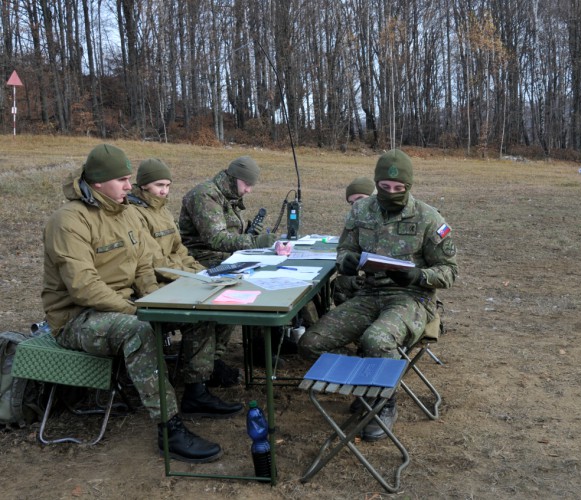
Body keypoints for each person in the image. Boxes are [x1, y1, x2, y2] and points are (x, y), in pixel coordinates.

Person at [42, 144, 242, 464]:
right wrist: (140, 310)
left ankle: (196, 390)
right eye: (121, 179)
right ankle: (170, 429)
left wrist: (158, 300)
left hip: (127, 304)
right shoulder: (68, 221)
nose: (127, 185)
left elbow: (143, 267)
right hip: (78, 318)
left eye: (128, 178)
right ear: (97, 182)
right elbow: (83, 288)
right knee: (139, 330)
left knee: (200, 312)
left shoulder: (125, 214)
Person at [299, 149, 458, 441]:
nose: (392, 193)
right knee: (311, 342)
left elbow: (450, 271)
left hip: (412, 298)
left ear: (409, 187)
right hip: (369, 294)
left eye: (399, 189)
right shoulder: (361, 211)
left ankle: (384, 402)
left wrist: (418, 275)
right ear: (377, 183)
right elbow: (346, 248)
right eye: (385, 187)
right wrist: (345, 261)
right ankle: (366, 384)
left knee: (377, 340)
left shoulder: (427, 217)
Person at [128, 158, 239, 388]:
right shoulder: (135, 214)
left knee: (227, 301)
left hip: (179, 277)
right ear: (143, 185)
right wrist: (191, 277)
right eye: (159, 185)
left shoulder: (163, 211)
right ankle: (196, 386)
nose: (164, 191)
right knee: (202, 316)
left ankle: (212, 363)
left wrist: (202, 273)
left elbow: (181, 250)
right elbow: (155, 261)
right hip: (160, 284)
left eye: (168, 186)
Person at [178, 156, 276, 371]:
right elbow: (216, 239)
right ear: (234, 179)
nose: (249, 190)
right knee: (237, 291)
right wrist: (253, 242)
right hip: (200, 259)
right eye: (247, 185)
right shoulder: (205, 195)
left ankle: (254, 346)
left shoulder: (226, 196)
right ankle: (214, 360)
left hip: (222, 257)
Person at [333, 176, 376, 305]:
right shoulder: (356, 220)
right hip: (371, 283)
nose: (356, 205)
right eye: (352, 203)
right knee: (339, 285)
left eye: (360, 199)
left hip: (403, 286)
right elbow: (343, 249)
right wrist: (346, 260)